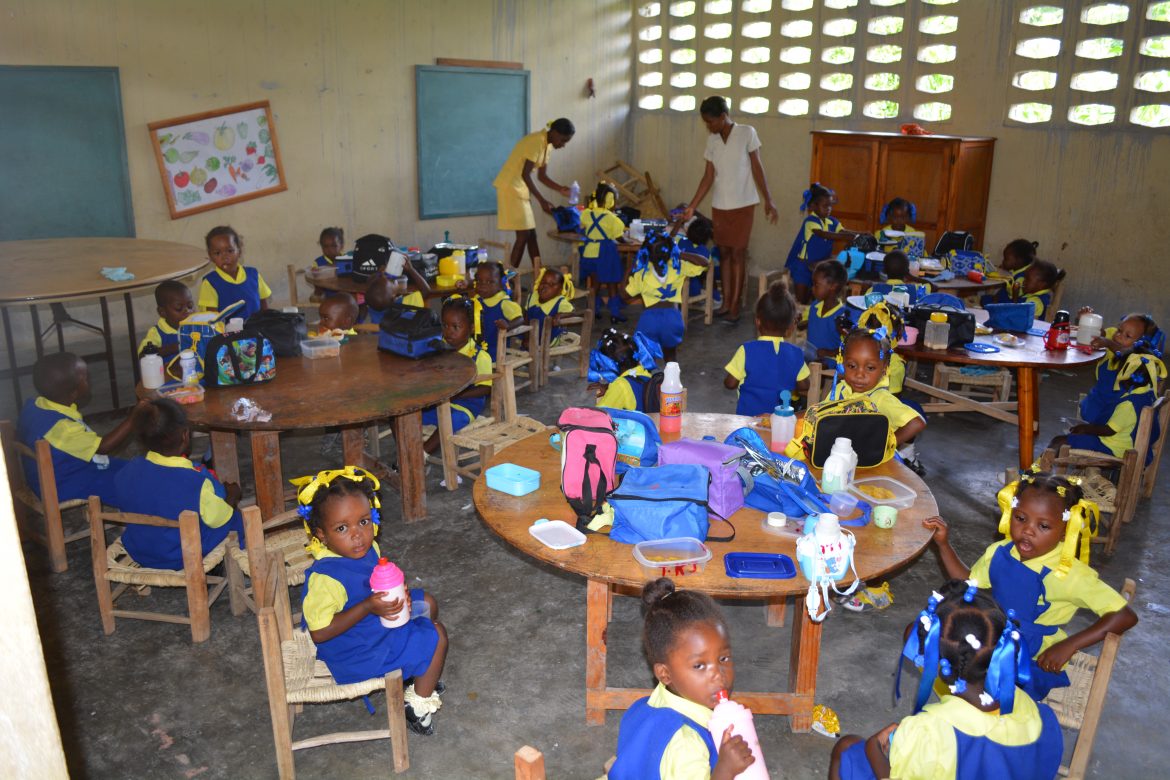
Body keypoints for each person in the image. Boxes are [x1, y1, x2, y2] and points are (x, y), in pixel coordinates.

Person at [923, 471, 1138, 700]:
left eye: (1043, 526)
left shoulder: (1070, 574)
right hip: (994, 637)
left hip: (1031, 657)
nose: (1027, 530)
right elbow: (968, 583)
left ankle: (984, 719)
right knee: (928, 640)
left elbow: (1125, 616)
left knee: (977, 686)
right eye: (1021, 518)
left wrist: (1069, 645)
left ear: (1066, 531)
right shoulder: (1000, 552)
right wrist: (943, 545)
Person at [830, 579, 1064, 780]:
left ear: (938, 668)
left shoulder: (928, 732)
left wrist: (874, 747)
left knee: (847, 747)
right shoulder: (1042, 717)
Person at [296, 467, 448, 735]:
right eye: (342, 528)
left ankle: (416, 673)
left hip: (371, 623)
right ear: (321, 534)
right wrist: (368, 606)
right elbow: (320, 633)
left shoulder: (367, 548)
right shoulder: (325, 578)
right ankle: (417, 706)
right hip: (356, 651)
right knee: (438, 634)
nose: (357, 535)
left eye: (364, 522)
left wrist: (400, 592)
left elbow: (378, 579)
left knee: (429, 604)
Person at [608, 577, 756, 780]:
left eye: (723, 658)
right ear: (665, 674)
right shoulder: (688, 745)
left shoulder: (652, 702)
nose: (717, 674)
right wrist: (724, 771)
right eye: (699, 665)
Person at [113, 398, 244, 569]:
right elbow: (219, 519)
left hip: (140, 551)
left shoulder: (127, 470)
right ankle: (241, 559)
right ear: (185, 435)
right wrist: (232, 496)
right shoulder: (196, 482)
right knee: (236, 517)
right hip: (181, 556)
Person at [680, 96, 778, 323]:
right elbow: (708, 176)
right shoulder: (713, 141)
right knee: (723, 252)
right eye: (706, 122)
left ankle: (735, 305)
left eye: (711, 122)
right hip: (720, 205)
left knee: (737, 253)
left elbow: (757, 167)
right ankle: (725, 303)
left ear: (723, 117)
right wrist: (692, 206)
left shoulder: (747, 133)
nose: (709, 126)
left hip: (743, 204)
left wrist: (768, 199)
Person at [17, 352, 147, 503]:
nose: (89, 381)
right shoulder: (62, 428)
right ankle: (144, 514)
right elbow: (103, 447)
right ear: (73, 393)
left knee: (136, 468)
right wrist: (133, 418)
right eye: (85, 379)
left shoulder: (34, 405)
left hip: (51, 475)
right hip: (65, 484)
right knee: (133, 486)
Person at [1049, 351, 1166, 463]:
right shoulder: (1147, 394)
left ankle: (1037, 471)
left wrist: (1085, 428)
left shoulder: (1129, 405)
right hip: (1127, 444)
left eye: (1119, 371)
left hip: (1114, 448)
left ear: (1127, 376)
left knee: (1060, 441)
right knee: (1072, 437)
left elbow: (1109, 430)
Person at [492, 118, 575, 269]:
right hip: (511, 187)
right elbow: (525, 174)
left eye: (566, 142)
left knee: (531, 235)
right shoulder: (536, 141)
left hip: (520, 189)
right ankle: (509, 282)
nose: (563, 145)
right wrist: (542, 200)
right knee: (523, 235)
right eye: (563, 140)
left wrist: (561, 189)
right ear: (554, 133)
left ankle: (539, 274)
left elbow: (542, 177)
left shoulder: (547, 145)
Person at [723, 280, 810, 416]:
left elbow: (730, 383)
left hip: (747, 419)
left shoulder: (747, 350)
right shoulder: (796, 353)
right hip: (779, 421)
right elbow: (804, 386)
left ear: (758, 322)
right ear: (790, 328)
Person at [621, 230, 707, 363]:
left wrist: (628, 270)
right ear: (671, 251)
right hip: (673, 318)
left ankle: (645, 383)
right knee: (671, 357)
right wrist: (679, 254)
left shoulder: (642, 274)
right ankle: (672, 382)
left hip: (649, 319)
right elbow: (704, 262)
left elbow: (624, 296)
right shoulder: (678, 268)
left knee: (644, 359)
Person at [422, 296, 493, 455]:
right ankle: (406, 450)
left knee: (450, 421)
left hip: (465, 407)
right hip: (438, 404)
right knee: (409, 414)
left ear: (472, 328)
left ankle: (422, 453)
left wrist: (455, 395)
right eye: (445, 325)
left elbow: (485, 389)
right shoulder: (439, 350)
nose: (448, 332)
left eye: (456, 326)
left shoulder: (479, 357)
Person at [1074, 311, 1162, 425]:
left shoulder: (1143, 362)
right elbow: (1102, 334)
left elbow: (1128, 355)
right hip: (1098, 399)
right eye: (1119, 330)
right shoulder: (1114, 339)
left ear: (1143, 345)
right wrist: (1088, 321)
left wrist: (1108, 343)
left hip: (1118, 412)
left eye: (1128, 336)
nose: (1119, 335)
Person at [784, 183, 858, 305]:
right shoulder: (810, 222)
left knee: (816, 301)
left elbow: (843, 231)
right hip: (803, 266)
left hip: (820, 267)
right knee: (800, 302)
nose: (829, 209)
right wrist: (849, 237)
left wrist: (861, 234)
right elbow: (825, 234)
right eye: (825, 206)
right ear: (813, 206)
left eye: (830, 206)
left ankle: (812, 321)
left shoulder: (832, 221)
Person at [578, 182, 628, 323]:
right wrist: (626, 242)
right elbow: (618, 237)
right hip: (605, 253)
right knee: (612, 282)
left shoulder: (587, 214)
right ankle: (615, 313)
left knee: (595, 284)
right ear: (611, 201)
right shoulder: (613, 219)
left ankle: (593, 311)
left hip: (589, 253)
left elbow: (581, 226)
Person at [197, 226, 271, 319]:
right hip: (229, 333)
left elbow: (264, 306)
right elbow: (213, 320)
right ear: (210, 256)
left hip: (257, 330)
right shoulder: (210, 283)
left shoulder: (253, 275)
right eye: (217, 253)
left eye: (230, 251)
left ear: (239, 251)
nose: (225, 257)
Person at [589, 328, 662, 412]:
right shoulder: (645, 373)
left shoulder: (620, 385)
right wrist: (609, 388)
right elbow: (634, 388)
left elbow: (599, 415)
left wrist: (613, 391)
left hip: (634, 425)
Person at [799, 259, 847, 366]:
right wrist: (798, 321)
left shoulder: (841, 315)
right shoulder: (815, 306)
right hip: (811, 355)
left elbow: (849, 345)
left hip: (829, 359)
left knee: (816, 366)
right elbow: (807, 322)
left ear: (833, 286)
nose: (812, 288)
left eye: (816, 285)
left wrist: (829, 352)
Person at [138, 280, 194, 358]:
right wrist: (174, 347)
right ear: (162, 312)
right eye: (179, 308)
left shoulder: (196, 326)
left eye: (190, 306)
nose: (187, 311)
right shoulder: (156, 333)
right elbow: (142, 356)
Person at [524, 266, 575, 347]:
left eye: (552, 284)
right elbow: (526, 317)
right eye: (543, 282)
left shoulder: (560, 301)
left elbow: (573, 313)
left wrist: (560, 315)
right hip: (531, 334)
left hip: (550, 339)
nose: (545, 286)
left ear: (560, 290)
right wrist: (527, 337)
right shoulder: (532, 296)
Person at [678, 214, 721, 304]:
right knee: (705, 274)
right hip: (692, 291)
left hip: (673, 287)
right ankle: (715, 296)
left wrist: (679, 222)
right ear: (707, 238)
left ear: (688, 231)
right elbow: (706, 266)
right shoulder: (705, 253)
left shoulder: (681, 242)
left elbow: (671, 237)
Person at [982, 238, 1038, 307]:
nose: (1003, 261)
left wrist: (996, 299)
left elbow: (1014, 299)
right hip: (1006, 297)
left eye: (1006, 259)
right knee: (986, 298)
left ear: (1018, 261)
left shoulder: (1021, 278)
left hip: (1011, 302)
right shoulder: (1018, 269)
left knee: (985, 300)